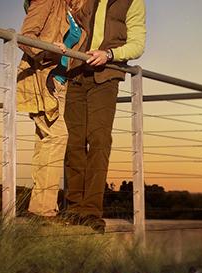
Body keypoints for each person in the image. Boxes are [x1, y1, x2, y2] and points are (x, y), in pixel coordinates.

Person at [63, 0, 146, 233]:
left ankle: (90, 211)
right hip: (75, 74)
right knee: (73, 142)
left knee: (99, 139)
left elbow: (138, 45)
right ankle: (72, 209)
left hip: (106, 77)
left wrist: (109, 54)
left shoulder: (133, 2)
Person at [16, 0, 86, 219]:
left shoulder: (73, 12)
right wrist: (51, 50)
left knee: (45, 141)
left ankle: (39, 209)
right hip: (41, 78)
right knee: (57, 137)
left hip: (61, 84)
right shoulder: (48, 0)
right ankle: (44, 211)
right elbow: (25, 37)